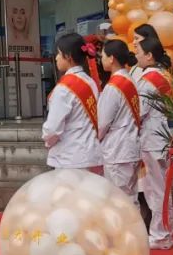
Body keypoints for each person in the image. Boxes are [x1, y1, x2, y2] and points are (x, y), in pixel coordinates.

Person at [42, 32, 103, 173]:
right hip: (91, 153)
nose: (56, 58)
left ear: (68, 56)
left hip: (69, 157)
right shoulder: (90, 82)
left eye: (58, 53)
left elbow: (52, 129)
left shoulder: (64, 88)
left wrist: (47, 140)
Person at [136, 37, 173, 249]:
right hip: (163, 136)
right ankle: (164, 232)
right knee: (162, 190)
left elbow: (139, 111)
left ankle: (161, 235)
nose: (136, 55)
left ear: (149, 55)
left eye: (139, 51)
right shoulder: (164, 75)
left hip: (152, 138)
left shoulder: (149, 79)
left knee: (157, 190)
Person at [96, 40, 142, 200]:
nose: (101, 60)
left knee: (118, 200)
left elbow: (102, 124)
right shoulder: (130, 80)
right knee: (130, 198)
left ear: (111, 59)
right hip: (130, 147)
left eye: (103, 56)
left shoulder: (113, 86)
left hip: (117, 151)